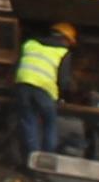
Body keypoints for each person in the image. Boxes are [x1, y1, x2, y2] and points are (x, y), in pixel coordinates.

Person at [9, 21, 75, 165]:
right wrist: (63, 96)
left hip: (23, 85)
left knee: (29, 122)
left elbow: (17, 66)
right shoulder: (63, 52)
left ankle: (32, 162)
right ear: (65, 39)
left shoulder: (30, 44)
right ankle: (47, 163)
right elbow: (63, 80)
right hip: (44, 90)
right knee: (50, 124)